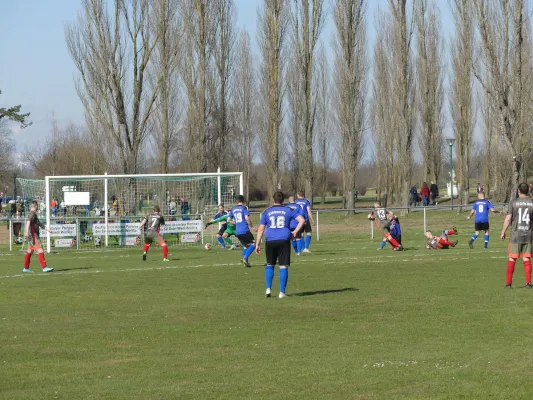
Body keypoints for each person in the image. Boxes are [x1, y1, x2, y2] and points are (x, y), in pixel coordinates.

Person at [255, 191, 305, 298]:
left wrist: (257, 244)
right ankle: (282, 292)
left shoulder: (267, 211)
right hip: (283, 240)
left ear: (273, 200)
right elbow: (302, 220)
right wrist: (295, 232)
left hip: (270, 240)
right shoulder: (288, 210)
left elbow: (261, 229)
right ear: (283, 200)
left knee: (270, 264)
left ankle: (268, 289)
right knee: (283, 266)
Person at [501, 183, 533, 288]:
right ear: (528, 190)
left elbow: (508, 218)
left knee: (512, 259)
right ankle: (528, 283)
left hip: (515, 235)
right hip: (528, 235)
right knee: (527, 258)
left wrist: (503, 231)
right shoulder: (532, 203)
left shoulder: (513, 202)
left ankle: (508, 284)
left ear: (518, 191)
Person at [22, 200, 54, 273]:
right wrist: (27, 232)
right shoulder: (32, 214)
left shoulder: (33, 215)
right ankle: (44, 267)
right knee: (40, 250)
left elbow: (40, 224)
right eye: (38, 206)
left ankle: (26, 268)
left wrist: (48, 230)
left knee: (29, 251)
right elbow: (28, 222)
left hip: (31, 236)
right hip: (33, 236)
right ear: (36, 206)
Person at [228, 195, 256, 267]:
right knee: (253, 244)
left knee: (245, 246)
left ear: (236, 201)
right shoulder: (244, 208)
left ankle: (245, 263)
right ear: (243, 201)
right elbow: (247, 218)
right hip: (245, 230)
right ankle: (245, 257)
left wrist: (236, 223)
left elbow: (228, 220)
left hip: (238, 232)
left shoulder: (233, 209)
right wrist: (252, 227)